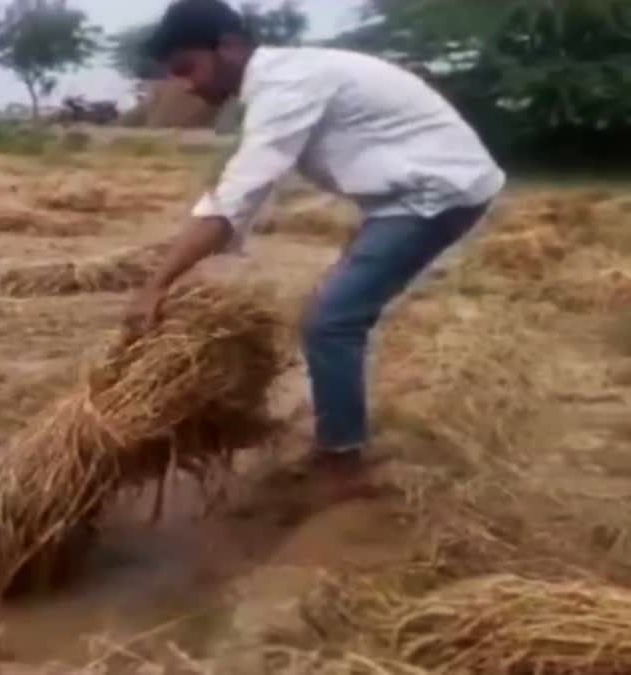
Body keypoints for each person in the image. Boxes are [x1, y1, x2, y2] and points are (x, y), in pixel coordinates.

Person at [126, 0, 505, 499]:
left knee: (330, 322)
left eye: (186, 67)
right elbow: (240, 187)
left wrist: (157, 285)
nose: (185, 85)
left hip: (438, 194)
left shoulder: (286, 85)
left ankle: (343, 463)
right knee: (336, 310)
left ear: (231, 47)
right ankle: (340, 440)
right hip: (417, 192)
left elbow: (236, 197)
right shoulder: (283, 82)